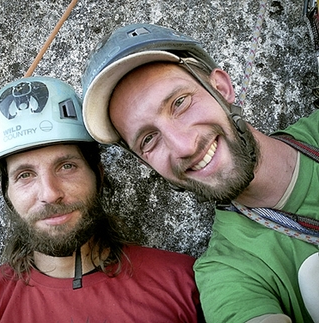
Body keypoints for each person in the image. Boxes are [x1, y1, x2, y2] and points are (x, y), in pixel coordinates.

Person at [81, 23, 319, 323]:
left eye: (180, 103)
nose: (183, 146)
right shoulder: (227, 272)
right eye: (148, 139)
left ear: (221, 87)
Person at [0, 76, 203, 322]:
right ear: (6, 193)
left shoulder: (184, 284)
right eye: (25, 175)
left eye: (66, 166)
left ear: (98, 175)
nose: (50, 193)